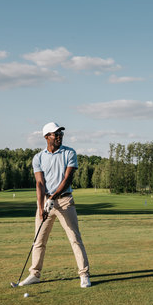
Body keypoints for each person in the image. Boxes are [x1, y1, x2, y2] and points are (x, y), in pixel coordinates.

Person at [19, 122, 91, 288]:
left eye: (60, 134)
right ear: (46, 137)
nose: (59, 136)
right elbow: (39, 183)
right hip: (45, 202)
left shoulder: (69, 153)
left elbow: (67, 180)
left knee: (75, 238)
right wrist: (40, 206)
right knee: (39, 240)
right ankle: (34, 274)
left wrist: (53, 197)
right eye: (55, 134)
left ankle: (84, 274)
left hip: (65, 201)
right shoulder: (38, 158)